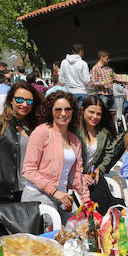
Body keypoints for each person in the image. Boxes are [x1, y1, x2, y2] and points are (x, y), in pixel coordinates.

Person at [21, 91, 89, 223]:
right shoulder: (42, 132)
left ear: (73, 111)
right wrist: (54, 192)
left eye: (67, 109)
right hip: (38, 194)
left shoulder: (75, 140)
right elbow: (28, 170)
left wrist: (86, 200)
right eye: (58, 109)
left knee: (79, 228)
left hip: (63, 196)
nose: (63, 113)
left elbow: (77, 176)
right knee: (53, 236)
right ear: (51, 111)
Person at [0, 82, 42, 203]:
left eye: (29, 101)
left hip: (36, 189)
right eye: (19, 99)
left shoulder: (37, 126)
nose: (24, 104)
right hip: (10, 193)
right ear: (11, 100)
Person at [77, 95, 123, 215]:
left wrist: (100, 169)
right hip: (76, 179)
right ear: (82, 110)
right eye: (91, 112)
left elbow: (109, 153)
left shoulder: (103, 133)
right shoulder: (75, 131)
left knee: (102, 200)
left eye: (98, 114)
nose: (95, 117)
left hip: (94, 178)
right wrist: (79, 174)